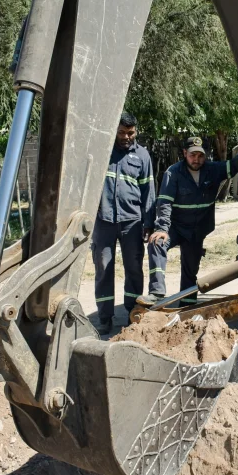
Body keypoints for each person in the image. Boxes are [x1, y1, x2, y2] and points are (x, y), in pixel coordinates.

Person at [138, 137, 238, 307]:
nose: (196, 159)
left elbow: (231, 166)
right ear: (184, 153)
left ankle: (187, 307)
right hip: (176, 227)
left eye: (200, 156)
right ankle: (157, 292)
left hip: (196, 230)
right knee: (157, 243)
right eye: (192, 155)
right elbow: (164, 203)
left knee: (190, 271)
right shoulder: (173, 173)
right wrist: (162, 229)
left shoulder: (213, 170)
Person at [92, 113, 155, 334]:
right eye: (121, 132)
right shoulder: (103, 152)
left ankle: (132, 313)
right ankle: (105, 317)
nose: (126, 137)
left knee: (134, 269)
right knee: (103, 268)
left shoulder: (143, 156)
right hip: (104, 220)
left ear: (136, 131)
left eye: (130, 133)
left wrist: (149, 222)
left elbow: (149, 191)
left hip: (132, 222)